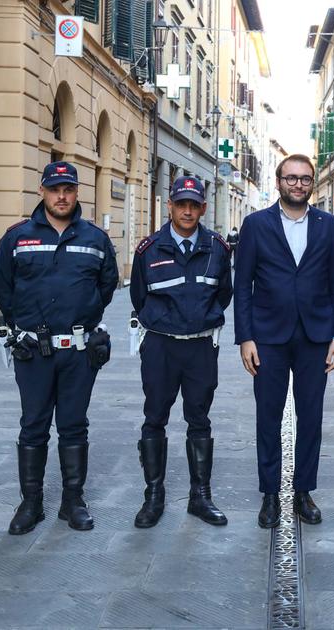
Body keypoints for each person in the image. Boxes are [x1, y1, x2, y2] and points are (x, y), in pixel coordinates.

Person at [0, 161, 119, 536]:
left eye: (68, 189)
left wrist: (87, 312)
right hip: (33, 351)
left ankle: (72, 501)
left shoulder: (95, 239)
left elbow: (107, 283)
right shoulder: (18, 236)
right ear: (42, 192)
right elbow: (0, 282)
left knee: (74, 425)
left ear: (77, 193)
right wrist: (22, 320)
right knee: (33, 425)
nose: (61, 195)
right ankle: (30, 504)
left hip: (78, 351)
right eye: (54, 188)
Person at [233, 154, 334, 529]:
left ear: (312, 183)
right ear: (279, 181)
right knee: (268, 416)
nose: (297, 185)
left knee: (310, 416)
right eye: (291, 178)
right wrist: (245, 337)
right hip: (268, 336)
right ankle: (270, 494)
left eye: (304, 179)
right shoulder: (255, 224)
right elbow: (242, 285)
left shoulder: (328, 225)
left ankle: (302, 491)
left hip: (315, 336)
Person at [129, 175, 232, 529]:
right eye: (181, 204)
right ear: (170, 205)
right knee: (154, 417)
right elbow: (139, 297)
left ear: (203, 208)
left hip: (201, 346)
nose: (188, 211)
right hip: (160, 345)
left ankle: (199, 497)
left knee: (199, 419)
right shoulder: (148, 249)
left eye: (194, 205)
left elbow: (224, 293)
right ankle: (153, 496)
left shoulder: (217, 248)